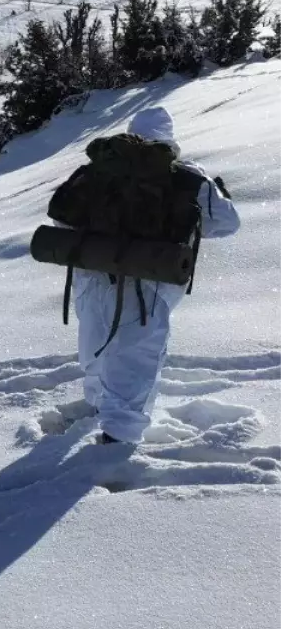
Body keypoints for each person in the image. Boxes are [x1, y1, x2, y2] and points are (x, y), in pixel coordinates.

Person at [73, 107, 239, 444]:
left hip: (94, 272)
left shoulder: (100, 170)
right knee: (137, 355)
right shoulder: (188, 177)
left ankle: (96, 404)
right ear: (170, 140)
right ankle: (118, 439)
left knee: (95, 344)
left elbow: (65, 217)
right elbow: (227, 223)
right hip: (147, 279)